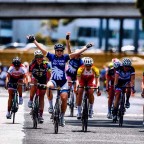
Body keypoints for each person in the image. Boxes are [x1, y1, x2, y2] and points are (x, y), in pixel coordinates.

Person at [27, 35, 93, 127]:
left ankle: (62, 116)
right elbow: (41, 49)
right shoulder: (51, 56)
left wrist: (86, 47)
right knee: (48, 86)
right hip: (53, 80)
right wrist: (34, 41)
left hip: (63, 82)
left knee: (64, 98)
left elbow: (76, 54)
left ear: (63, 51)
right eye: (57, 50)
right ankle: (50, 106)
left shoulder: (65, 57)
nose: (59, 52)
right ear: (55, 51)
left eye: (61, 51)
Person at [28, 50, 51, 123]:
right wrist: (28, 81)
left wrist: (47, 83)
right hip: (35, 79)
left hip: (43, 80)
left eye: (40, 57)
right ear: (35, 58)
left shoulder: (46, 64)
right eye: (37, 57)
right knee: (33, 82)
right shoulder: (32, 64)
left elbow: (49, 74)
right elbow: (29, 74)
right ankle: (31, 100)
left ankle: (40, 115)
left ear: (42, 57)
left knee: (42, 96)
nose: (39, 59)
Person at [65, 32, 84, 105]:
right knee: (68, 84)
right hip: (69, 74)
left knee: (76, 89)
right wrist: (67, 39)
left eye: (79, 55)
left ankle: (77, 102)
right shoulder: (71, 56)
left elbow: (80, 72)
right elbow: (68, 47)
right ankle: (67, 96)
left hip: (76, 76)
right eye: (77, 54)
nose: (78, 56)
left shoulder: (81, 62)